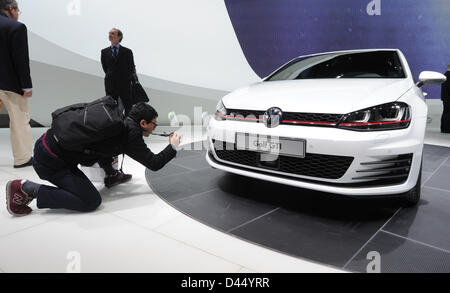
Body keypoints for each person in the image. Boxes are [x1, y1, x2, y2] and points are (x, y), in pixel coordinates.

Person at [5, 102, 181, 216]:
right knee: (90, 201)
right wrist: (172, 146)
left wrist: (111, 173)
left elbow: (103, 148)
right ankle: (26, 188)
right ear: (143, 123)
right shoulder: (131, 135)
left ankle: (112, 176)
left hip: (46, 144)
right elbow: (154, 163)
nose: (153, 128)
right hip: (51, 161)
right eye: (153, 124)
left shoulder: (116, 121)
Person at [0, 0, 33, 168]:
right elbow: (21, 60)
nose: (18, 14)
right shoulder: (16, 27)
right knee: (19, 121)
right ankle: (23, 158)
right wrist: (26, 86)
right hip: (10, 85)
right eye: (17, 10)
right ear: (10, 9)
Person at [101, 28, 136, 115]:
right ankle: (114, 125)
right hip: (110, 84)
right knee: (111, 106)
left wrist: (125, 78)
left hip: (125, 84)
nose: (110, 35)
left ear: (119, 36)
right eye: (109, 34)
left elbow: (131, 67)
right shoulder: (104, 52)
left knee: (128, 107)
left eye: (112, 33)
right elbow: (105, 68)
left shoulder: (127, 52)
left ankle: (128, 125)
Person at [441, 64, 450, 133]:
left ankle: (443, 128)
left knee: (445, 112)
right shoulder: (449, 75)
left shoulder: (444, 75)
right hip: (448, 97)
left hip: (445, 97)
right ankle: (447, 129)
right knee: (448, 113)